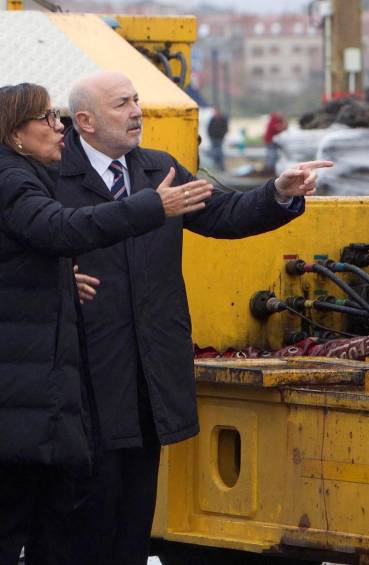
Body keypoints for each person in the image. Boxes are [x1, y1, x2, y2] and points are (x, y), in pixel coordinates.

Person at [56, 70, 331, 565]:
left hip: (148, 369)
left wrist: (279, 192)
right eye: (123, 104)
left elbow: (223, 214)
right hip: (86, 373)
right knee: (85, 510)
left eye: (137, 100)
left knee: (135, 510)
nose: (138, 111)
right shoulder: (55, 177)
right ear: (86, 121)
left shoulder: (157, 169)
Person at [0, 83, 212, 565]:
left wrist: (279, 194)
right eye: (49, 120)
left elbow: (26, 254)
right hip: (42, 399)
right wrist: (152, 206)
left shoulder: (154, 166)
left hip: (87, 392)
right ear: (15, 133)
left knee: (115, 524)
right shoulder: (20, 180)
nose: (60, 129)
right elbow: (58, 229)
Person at [206, 107, 228, 171]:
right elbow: (209, 128)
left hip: (220, 138)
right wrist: (210, 136)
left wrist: (222, 135)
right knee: (214, 153)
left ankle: (221, 167)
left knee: (219, 152)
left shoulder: (222, 119)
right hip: (213, 139)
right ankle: (215, 167)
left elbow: (225, 128)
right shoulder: (212, 119)